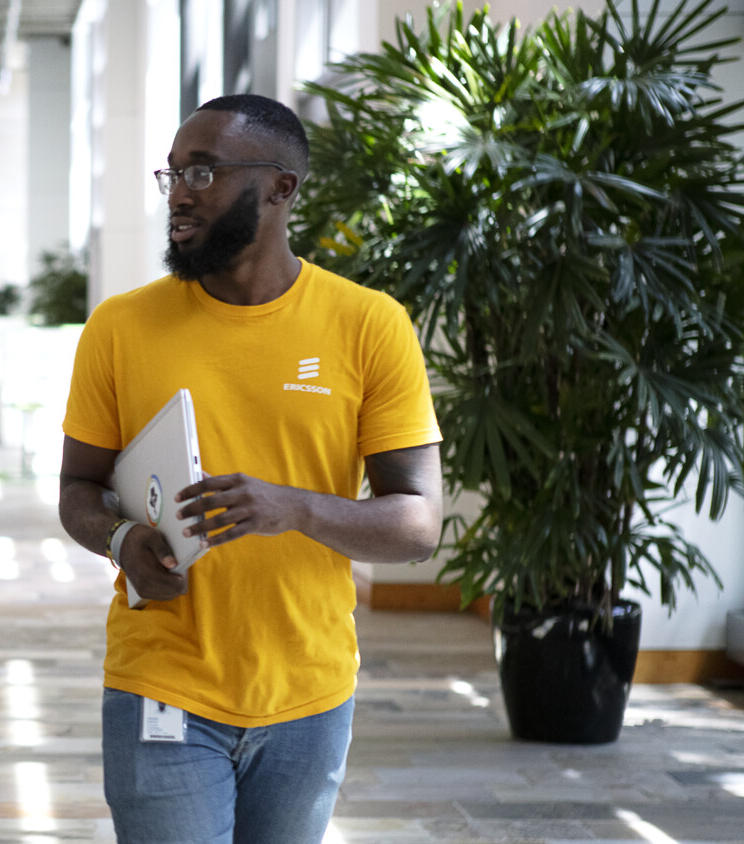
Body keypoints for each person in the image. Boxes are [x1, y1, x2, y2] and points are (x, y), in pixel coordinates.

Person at [58, 94, 443, 843]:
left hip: (310, 691)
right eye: (171, 174)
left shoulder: (368, 324)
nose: (180, 193)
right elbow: (78, 489)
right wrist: (119, 541)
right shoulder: (121, 326)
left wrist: (295, 509)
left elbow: (418, 523)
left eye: (202, 171)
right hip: (160, 678)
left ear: (281, 187)